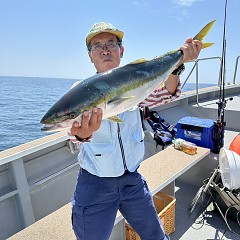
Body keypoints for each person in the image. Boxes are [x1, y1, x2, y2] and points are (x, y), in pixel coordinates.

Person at [69, 22, 202, 240]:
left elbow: (167, 94)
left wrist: (178, 63)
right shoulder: (79, 91)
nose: (105, 49)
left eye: (111, 43)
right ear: (90, 56)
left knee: (156, 236)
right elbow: (73, 136)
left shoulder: (137, 81)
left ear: (121, 51)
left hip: (132, 179)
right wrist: (82, 135)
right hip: (95, 185)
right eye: (97, 45)